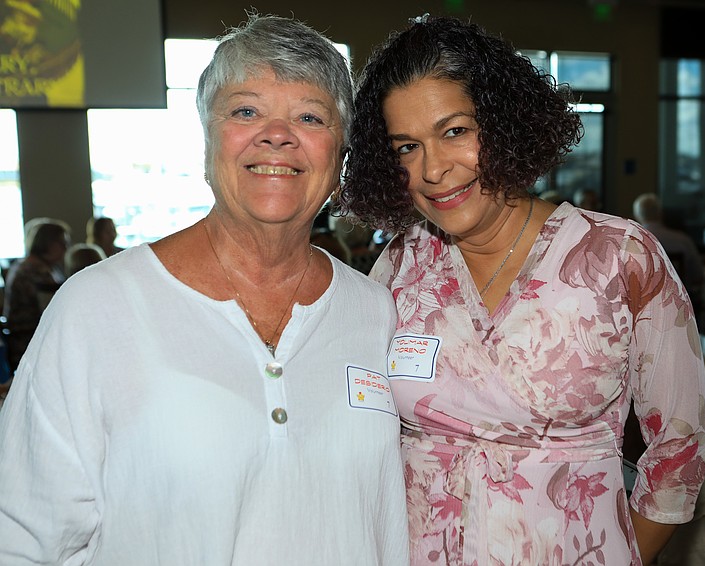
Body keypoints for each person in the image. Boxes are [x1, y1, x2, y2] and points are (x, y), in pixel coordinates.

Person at [0, 14, 408, 565]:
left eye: (310, 117)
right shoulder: (98, 308)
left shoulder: (375, 311)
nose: (277, 134)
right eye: (246, 111)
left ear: (340, 157)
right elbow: (22, 537)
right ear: (208, 141)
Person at [340, 15, 705, 566]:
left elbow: (679, 454)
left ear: (504, 122)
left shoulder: (619, 258)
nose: (433, 169)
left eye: (455, 131)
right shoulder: (401, 266)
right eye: (407, 147)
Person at [1, 219, 70, 372]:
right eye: (62, 243)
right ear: (48, 244)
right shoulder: (34, 271)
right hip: (29, 343)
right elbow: (55, 311)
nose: (66, 248)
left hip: (33, 338)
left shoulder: (32, 265)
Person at [632, 193, 704, 296]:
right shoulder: (683, 240)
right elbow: (698, 276)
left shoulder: (632, 241)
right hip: (680, 301)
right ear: (661, 213)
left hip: (644, 303)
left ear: (637, 215)